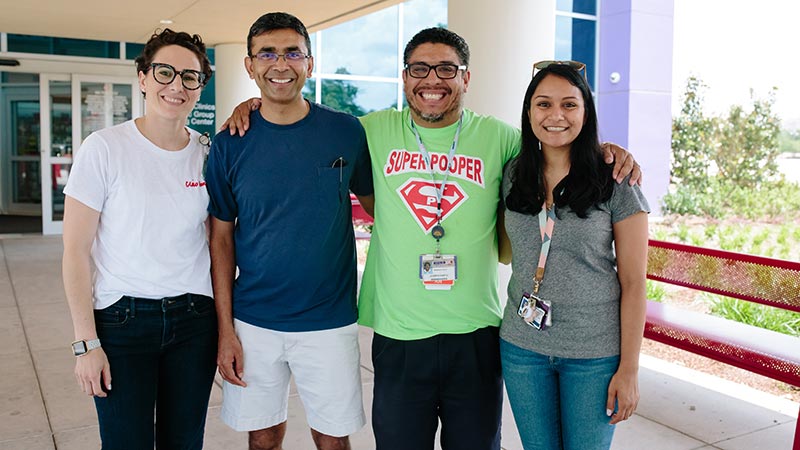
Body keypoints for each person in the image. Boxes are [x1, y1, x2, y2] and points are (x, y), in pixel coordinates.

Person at [223, 27, 641, 450]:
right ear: (404, 77)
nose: (432, 80)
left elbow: (556, 143)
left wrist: (609, 152)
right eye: (419, 69)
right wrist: (254, 106)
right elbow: (302, 122)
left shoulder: (501, 139)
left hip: (475, 334)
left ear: (466, 78)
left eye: (446, 69)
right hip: (399, 334)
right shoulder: (367, 131)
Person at [205, 12, 373, 450]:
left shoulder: (345, 131)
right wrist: (225, 329)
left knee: (333, 440)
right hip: (253, 320)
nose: (280, 64)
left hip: (329, 319)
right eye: (267, 53)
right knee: (263, 438)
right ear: (249, 65)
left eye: (292, 52)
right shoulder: (229, 143)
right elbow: (220, 238)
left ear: (310, 63)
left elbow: (382, 212)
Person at [62, 29, 216, 449]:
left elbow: (217, 241)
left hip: (195, 322)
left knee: (183, 444)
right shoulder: (104, 148)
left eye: (190, 77)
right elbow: (75, 251)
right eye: (165, 72)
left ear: (200, 88)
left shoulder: (208, 153)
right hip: (121, 322)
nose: (176, 86)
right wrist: (85, 344)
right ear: (143, 77)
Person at [500, 61, 649, 449]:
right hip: (523, 349)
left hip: (594, 355)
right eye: (543, 104)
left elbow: (634, 283)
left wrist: (629, 369)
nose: (555, 116)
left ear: (586, 112)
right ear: (528, 111)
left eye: (569, 105)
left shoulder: (615, 179)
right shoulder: (513, 175)